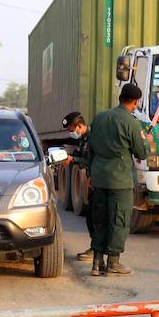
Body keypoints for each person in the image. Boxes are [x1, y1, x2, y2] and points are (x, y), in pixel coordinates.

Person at [87, 83, 152, 276]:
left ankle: (97, 262)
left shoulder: (99, 118)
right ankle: (113, 262)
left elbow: (90, 149)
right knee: (119, 220)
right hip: (120, 179)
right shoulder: (131, 122)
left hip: (99, 178)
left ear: (120, 98)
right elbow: (141, 153)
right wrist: (147, 142)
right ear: (135, 102)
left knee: (100, 219)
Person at [61, 111, 95, 261]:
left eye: (71, 130)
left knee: (95, 218)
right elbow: (82, 156)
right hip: (91, 181)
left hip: (97, 181)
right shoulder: (83, 139)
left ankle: (97, 251)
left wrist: (73, 159)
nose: (71, 134)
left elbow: (92, 161)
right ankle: (95, 249)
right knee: (90, 217)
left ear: (79, 126)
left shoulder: (94, 137)